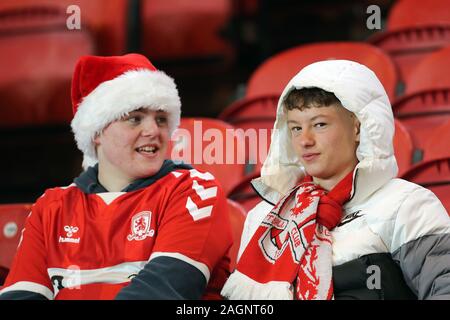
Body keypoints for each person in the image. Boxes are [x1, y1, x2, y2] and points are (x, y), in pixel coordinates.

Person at [0, 53, 232, 300]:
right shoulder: (49, 208)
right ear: (97, 131)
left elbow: (161, 292)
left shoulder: (195, 190)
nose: (154, 130)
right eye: (135, 118)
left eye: (161, 119)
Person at [221, 59, 450, 300]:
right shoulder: (264, 217)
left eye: (319, 124)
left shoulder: (406, 204)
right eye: (296, 128)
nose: (305, 140)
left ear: (358, 128)